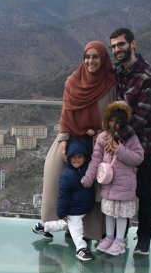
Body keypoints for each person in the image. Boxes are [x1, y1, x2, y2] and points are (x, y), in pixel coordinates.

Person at [40, 41, 119, 246]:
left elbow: (114, 115)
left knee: (93, 185)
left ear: (103, 59)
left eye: (96, 57)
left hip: (98, 141)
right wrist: (65, 137)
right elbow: (65, 113)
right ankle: (52, 223)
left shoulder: (111, 83)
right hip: (72, 136)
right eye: (87, 56)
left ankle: (90, 232)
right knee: (55, 172)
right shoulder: (72, 81)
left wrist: (104, 132)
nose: (91, 61)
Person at [109, 27, 151, 256]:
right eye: (113, 46)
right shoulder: (118, 72)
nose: (117, 49)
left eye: (121, 44)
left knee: (143, 190)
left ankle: (144, 238)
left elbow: (144, 114)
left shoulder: (149, 75)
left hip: (144, 142)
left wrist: (116, 138)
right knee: (121, 189)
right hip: (121, 143)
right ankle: (120, 235)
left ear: (133, 44)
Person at [82, 101, 144, 256]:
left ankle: (120, 240)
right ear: (106, 119)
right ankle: (109, 237)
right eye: (111, 120)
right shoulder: (103, 137)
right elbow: (95, 159)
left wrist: (119, 150)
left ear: (125, 122)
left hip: (124, 184)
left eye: (118, 121)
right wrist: (89, 177)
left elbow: (138, 158)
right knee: (109, 212)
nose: (114, 124)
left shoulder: (131, 138)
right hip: (108, 184)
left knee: (121, 214)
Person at [32, 137, 96, 261]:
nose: (77, 159)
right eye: (73, 157)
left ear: (85, 158)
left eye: (79, 156)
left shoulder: (86, 170)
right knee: (77, 231)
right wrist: (61, 212)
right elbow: (63, 196)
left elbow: (91, 153)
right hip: (74, 210)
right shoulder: (67, 176)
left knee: (63, 225)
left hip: (82, 209)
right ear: (68, 158)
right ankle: (81, 249)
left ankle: (42, 227)